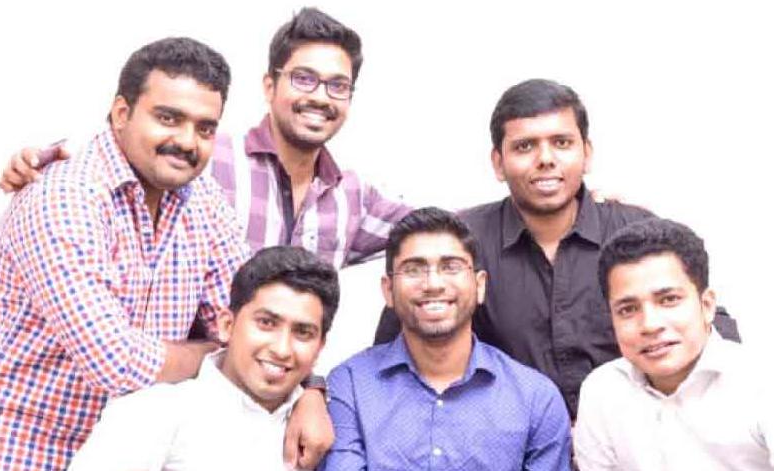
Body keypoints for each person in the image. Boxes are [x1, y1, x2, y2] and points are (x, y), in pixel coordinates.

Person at [0, 37, 327, 470]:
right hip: (27, 451)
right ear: (122, 113)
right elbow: (114, 361)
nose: (187, 141)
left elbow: (250, 313)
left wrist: (311, 391)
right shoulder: (63, 198)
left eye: (205, 128)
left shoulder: (201, 200)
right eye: (168, 118)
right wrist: (218, 351)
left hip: (142, 454)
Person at [375, 79, 739, 419]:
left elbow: (708, 325)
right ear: (498, 163)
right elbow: (395, 350)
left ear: (586, 153)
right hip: (510, 443)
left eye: (562, 143)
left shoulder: (633, 231)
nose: (545, 159)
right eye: (525, 146)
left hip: (631, 436)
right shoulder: (462, 243)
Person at [0, 7, 411, 269]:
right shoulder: (207, 158)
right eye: (304, 78)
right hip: (177, 366)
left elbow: (439, 230)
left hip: (281, 379)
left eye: (338, 85)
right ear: (269, 86)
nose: (320, 97)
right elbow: (123, 153)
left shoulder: (353, 197)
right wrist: (41, 160)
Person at [320, 207, 571, 470]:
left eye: (451, 267)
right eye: (413, 269)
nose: (433, 284)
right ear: (388, 290)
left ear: (480, 285)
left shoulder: (535, 399)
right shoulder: (350, 386)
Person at [68, 246, 339, 471]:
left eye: (303, 333)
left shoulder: (321, 433)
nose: (282, 349)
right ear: (227, 325)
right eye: (266, 323)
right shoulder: (152, 414)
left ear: (320, 347)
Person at [573, 218, 773, 470]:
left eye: (668, 300)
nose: (650, 324)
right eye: (628, 309)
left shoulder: (761, 383)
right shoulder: (602, 391)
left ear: (707, 305)